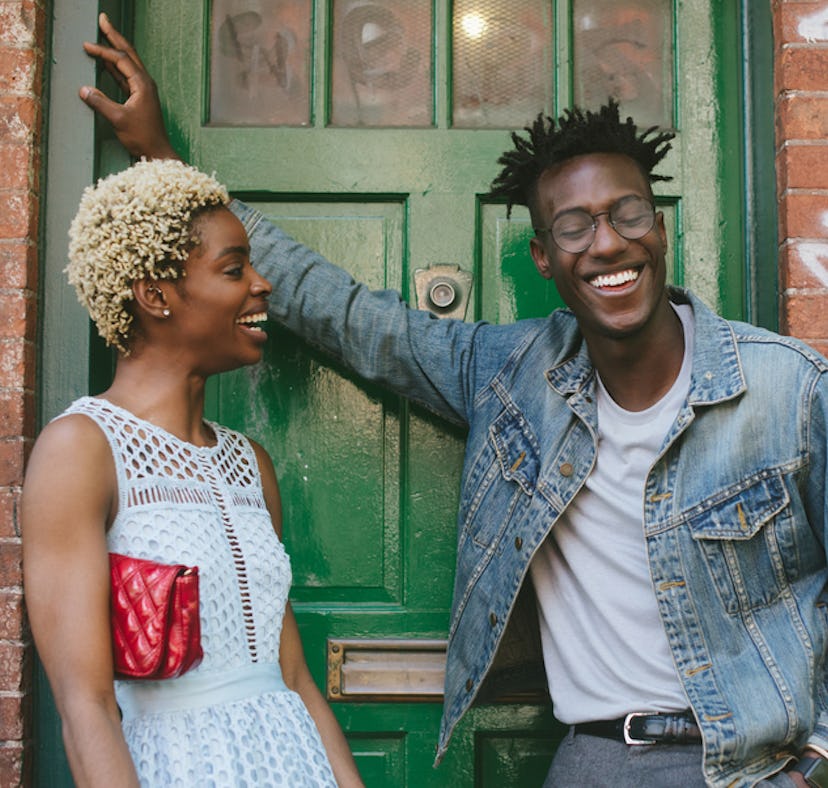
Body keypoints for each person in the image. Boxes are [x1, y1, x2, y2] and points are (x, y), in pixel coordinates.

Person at [76, 14, 828, 788]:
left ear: (658, 226)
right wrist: (163, 166)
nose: (606, 244)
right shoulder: (510, 374)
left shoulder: (786, 387)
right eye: (574, 227)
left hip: (756, 768)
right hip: (595, 761)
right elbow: (344, 313)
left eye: (627, 214)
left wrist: (817, 762)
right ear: (542, 256)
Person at [21, 157, 364, 787]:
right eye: (235, 269)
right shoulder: (82, 449)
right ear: (155, 295)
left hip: (295, 764)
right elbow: (85, 707)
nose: (262, 285)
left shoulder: (249, 464)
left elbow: (292, 676)